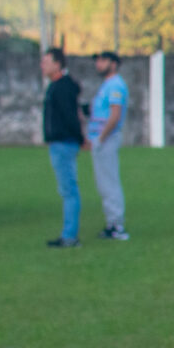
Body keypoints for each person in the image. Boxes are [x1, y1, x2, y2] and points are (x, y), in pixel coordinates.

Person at [40, 48, 85, 249]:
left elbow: (71, 116)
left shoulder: (63, 87)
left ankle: (69, 236)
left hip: (64, 143)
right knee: (67, 189)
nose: (43, 65)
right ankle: (68, 234)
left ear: (58, 64)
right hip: (60, 142)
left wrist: (79, 138)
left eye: (46, 62)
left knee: (69, 190)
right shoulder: (56, 86)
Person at [87, 52, 130, 241]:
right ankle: (112, 223)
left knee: (109, 182)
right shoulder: (107, 85)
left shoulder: (115, 85)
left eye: (103, 60)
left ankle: (117, 225)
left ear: (113, 64)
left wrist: (101, 138)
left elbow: (115, 114)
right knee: (103, 183)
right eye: (97, 60)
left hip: (107, 139)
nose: (98, 64)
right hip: (101, 139)